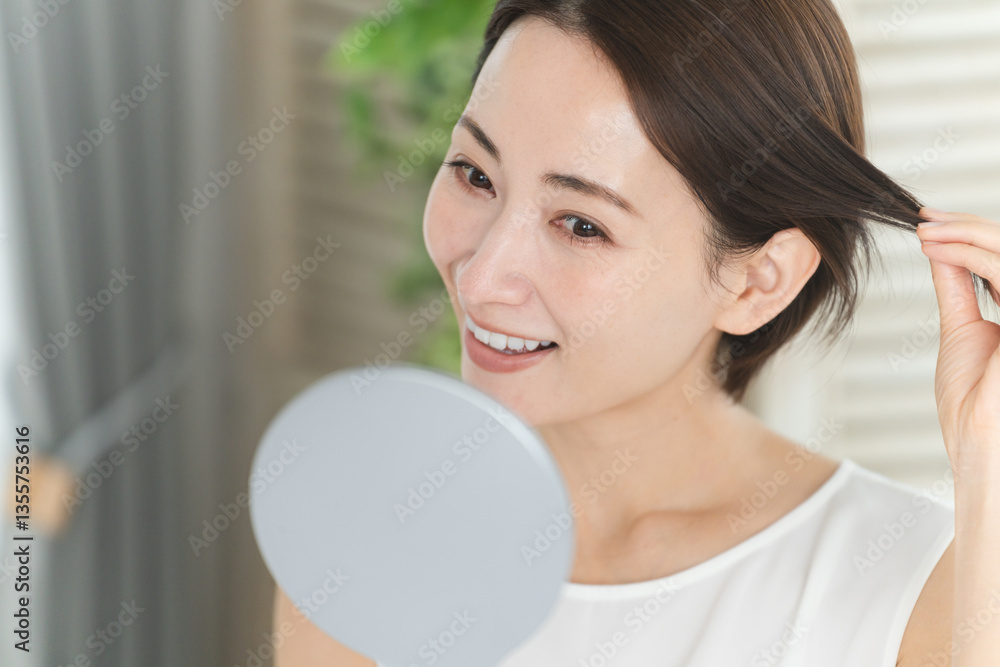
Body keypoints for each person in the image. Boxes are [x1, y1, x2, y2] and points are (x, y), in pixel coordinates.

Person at [274, 1, 1000, 664]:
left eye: (580, 225)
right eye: (475, 173)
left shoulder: (921, 590)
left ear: (758, 281)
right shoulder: (366, 537)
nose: (482, 276)